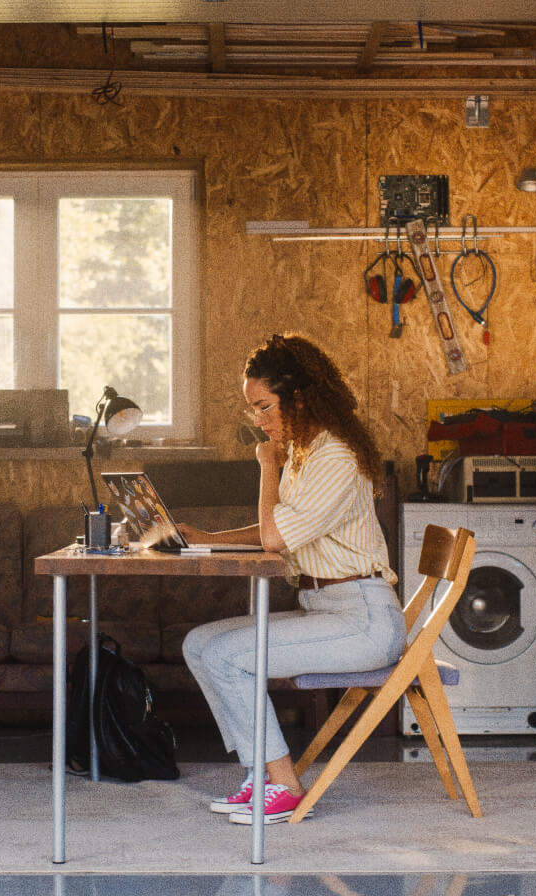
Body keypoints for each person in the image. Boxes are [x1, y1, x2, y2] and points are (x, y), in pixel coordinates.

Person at [179, 333, 404, 825]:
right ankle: (260, 773)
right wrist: (207, 536)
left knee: (225, 656)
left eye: (263, 407)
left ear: (298, 397)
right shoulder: (307, 451)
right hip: (330, 612)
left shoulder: (334, 457)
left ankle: (284, 783)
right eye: (253, 411)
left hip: (363, 621)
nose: (258, 421)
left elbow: (275, 537)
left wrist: (266, 467)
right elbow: (277, 531)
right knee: (199, 643)